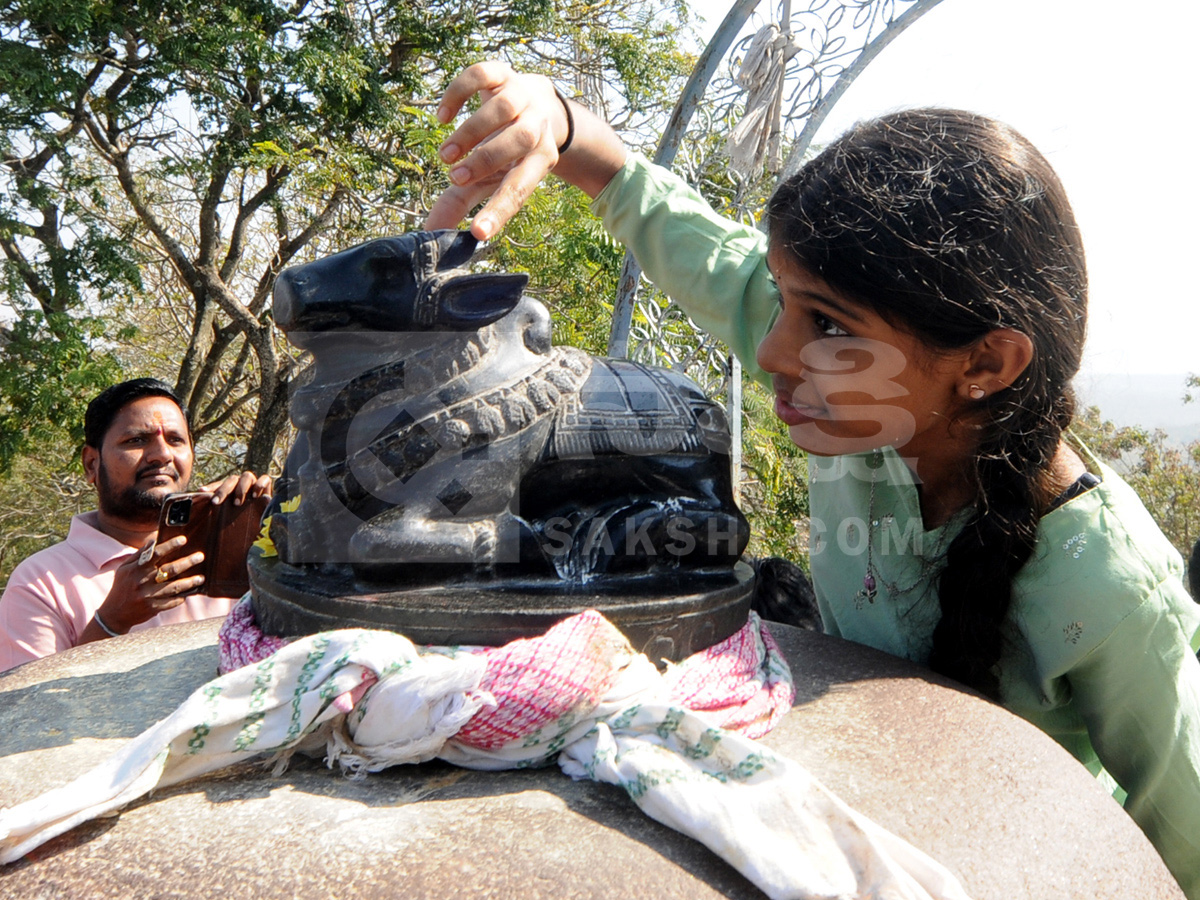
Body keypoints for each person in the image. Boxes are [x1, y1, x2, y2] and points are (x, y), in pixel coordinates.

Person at [424, 62, 1200, 896]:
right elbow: (660, 212)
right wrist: (561, 121)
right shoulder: (869, 404)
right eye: (785, 301)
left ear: (984, 364)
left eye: (826, 324)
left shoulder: (1107, 585)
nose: (772, 350)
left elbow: (1185, 838)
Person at [0, 378, 272, 671]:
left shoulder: (234, 551)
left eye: (175, 440)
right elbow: (31, 698)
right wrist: (111, 622)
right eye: (136, 440)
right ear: (91, 464)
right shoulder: (40, 583)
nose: (162, 455)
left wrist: (275, 530)